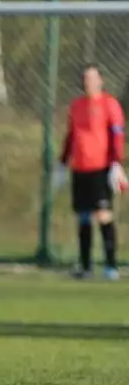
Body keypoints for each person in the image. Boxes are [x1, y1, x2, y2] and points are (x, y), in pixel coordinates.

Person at [54, 64, 127, 280]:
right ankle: (85, 266)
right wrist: (62, 163)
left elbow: (117, 135)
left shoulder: (109, 104)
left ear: (100, 81)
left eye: (92, 78)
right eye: (84, 78)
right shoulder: (76, 106)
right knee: (83, 217)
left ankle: (111, 266)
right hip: (80, 168)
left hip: (101, 168)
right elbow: (71, 136)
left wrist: (115, 162)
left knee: (103, 215)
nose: (87, 82)